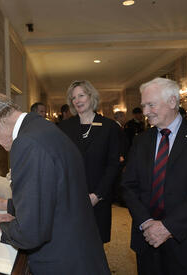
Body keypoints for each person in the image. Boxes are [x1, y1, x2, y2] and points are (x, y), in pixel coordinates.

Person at [0, 92, 110, 275]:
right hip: (80, 248)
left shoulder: (26, 143)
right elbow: (54, 194)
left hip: (63, 260)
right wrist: (8, 205)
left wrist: (5, 227)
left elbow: (31, 234)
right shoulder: (41, 126)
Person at [121, 77, 187, 275]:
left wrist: (168, 227)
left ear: (172, 102)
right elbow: (128, 186)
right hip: (147, 241)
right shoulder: (141, 141)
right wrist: (147, 223)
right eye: (143, 106)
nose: (145, 112)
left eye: (151, 105)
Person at [59, 80, 120, 243]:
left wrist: (97, 195)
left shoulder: (109, 127)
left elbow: (114, 165)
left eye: (81, 95)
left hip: (98, 197)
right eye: (73, 98)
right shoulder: (64, 127)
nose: (77, 100)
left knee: (95, 244)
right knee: (72, 242)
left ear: (91, 96)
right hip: (70, 197)